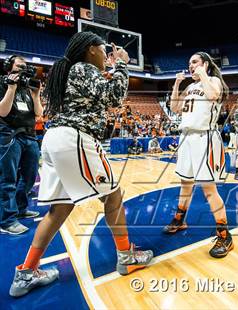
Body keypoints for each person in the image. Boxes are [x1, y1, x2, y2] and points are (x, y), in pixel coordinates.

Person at [9, 32, 153, 298]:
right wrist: (121, 64)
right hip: (75, 138)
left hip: (54, 140)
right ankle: (125, 255)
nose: (106, 54)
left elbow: (95, 95)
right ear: (90, 50)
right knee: (114, 197)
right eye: (103, 50)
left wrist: (110, 69)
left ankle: (26, 272)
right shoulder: (83, 68)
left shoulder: (66, 71)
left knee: (59, 209)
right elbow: (113, 98)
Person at [164, 51, 233, 258]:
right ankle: (180, 219)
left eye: (194, 62)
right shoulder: (190, 87)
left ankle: (224, 235)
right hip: (187, 138)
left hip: (206, 139)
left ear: (205, 64)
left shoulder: (213, 81)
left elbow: (213, 96)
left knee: (208, 190)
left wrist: (203, 73)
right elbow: (175, 108)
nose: (191, 66)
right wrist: (177, 85)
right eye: (189, 63)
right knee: (186, 183)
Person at [0, 55, 43, 235]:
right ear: (9, 67)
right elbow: (2, 111)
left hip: (29, 136)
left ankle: (21, 208)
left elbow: (39, 114)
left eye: (25, 66)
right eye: (19, 66)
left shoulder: (27, 88)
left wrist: (36, 94)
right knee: (8, 179)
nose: (23, 69)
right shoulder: (3, 83)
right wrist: (11, 88)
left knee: (29, 176)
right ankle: (7, 221)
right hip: (10, 135)